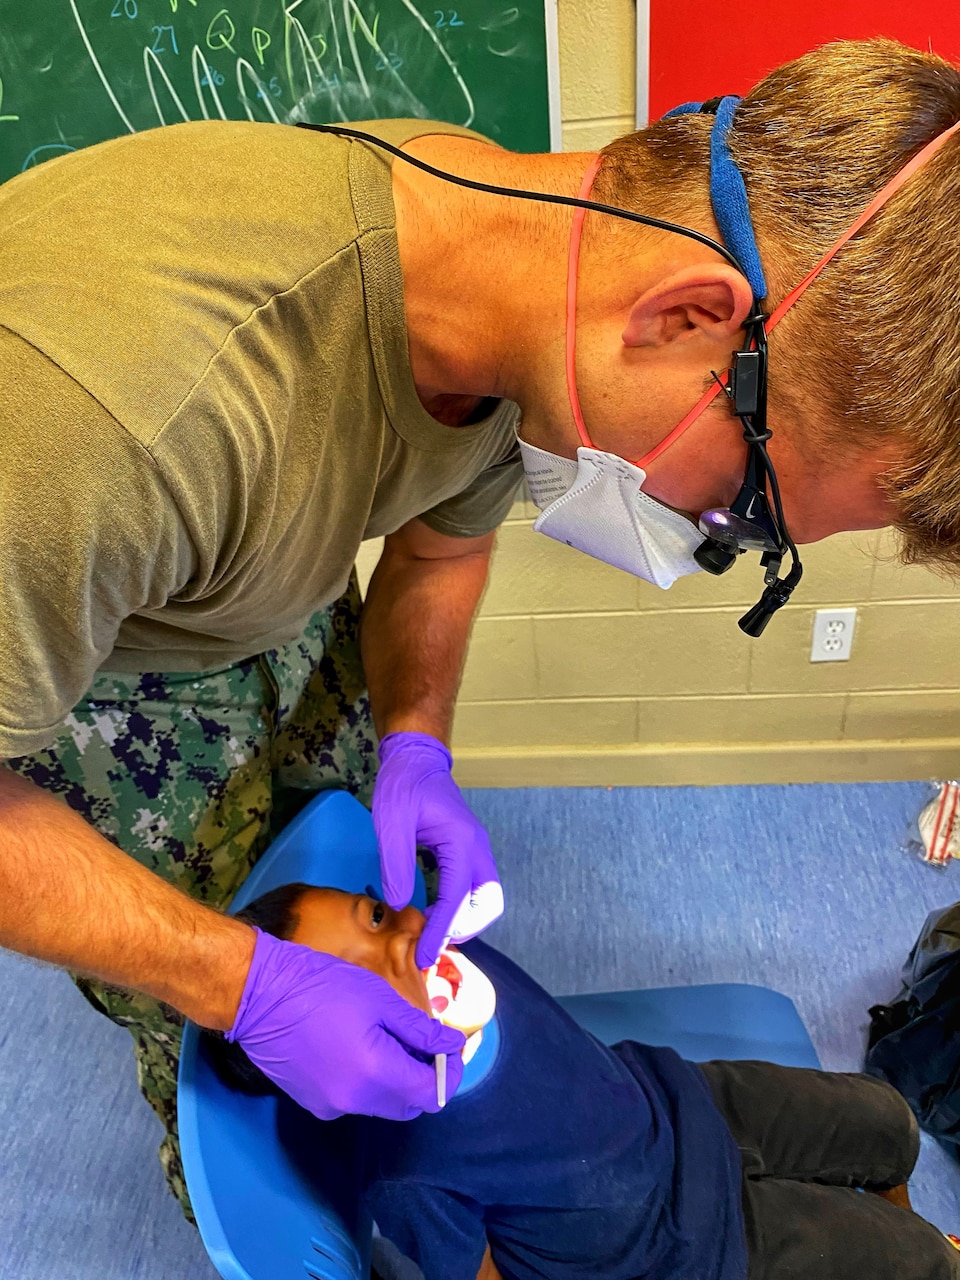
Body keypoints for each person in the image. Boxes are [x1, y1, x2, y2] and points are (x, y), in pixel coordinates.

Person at [3, 33, 960, 1215]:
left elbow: (441, 538)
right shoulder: (108, 422)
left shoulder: (512, 279)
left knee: (328, 878)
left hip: (239, 596)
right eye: (748, 501)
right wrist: (236, 983)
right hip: (83, 688)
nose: (711, 530)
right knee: (221, 1018)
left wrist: (415, 738)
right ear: (687, 319)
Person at [208, 881, 960, 1280]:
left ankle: (885, 1208)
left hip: (682, 1102)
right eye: (357, 981)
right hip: (681, 1249)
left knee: (889, 1122)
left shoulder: (457, 958)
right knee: (921, 1262)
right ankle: (914, 1244)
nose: (403, 942)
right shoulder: (408, 1173)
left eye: (373, 915)